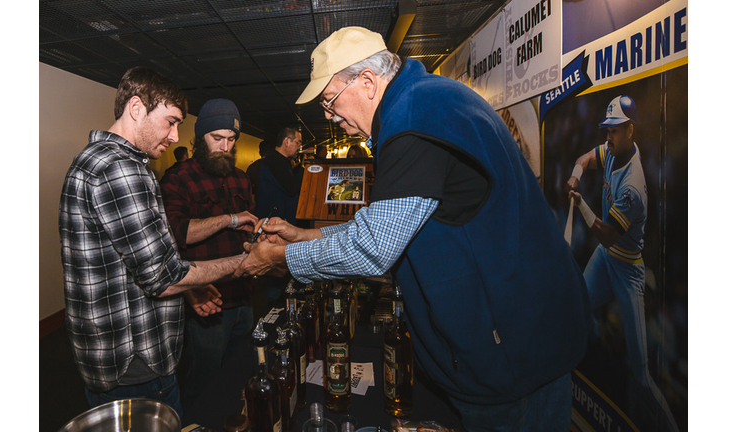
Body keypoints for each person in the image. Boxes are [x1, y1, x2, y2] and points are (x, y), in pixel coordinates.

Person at [236, 26, 591, 431]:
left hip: (514, 351)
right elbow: (386, 223)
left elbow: (375, 246)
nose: (332, 118)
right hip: (511, 336)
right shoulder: (421, 101)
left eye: (330, 102)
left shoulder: (412, 117)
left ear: (368, 82)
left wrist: (281, 256)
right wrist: (306, 236)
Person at [59, 67, 248, 416]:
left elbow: (142, 259)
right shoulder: (119, 168)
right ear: (136, 108)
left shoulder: (99, 160)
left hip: (115, 354)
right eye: (171, 121)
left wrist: (189, 288)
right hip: (135, 357)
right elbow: (162, 279)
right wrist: (247, 262)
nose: (176, 136)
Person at [567, 96, 679, 432]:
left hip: (626, 268)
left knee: (641, 373)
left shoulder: (634, 185)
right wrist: (576, 172)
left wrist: (583, 204)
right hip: (605, 260)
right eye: (607, 129)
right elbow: (585, 157)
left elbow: (607, 236)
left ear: (630, 130)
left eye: (614, 130)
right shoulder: (614, 152)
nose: (608, 136)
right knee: (579, 306)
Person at [159, 98, 258, 408]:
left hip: (244, 295)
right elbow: (178, 234)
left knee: (241, 375)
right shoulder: (178, 179)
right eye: (217, 138)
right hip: (207, 301)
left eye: (231, 140)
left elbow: (248, 227)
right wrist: (230, 218)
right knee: (204, 382)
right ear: (200, 137)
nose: (225, 147)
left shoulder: (241, 177)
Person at [256, 126, 305, 306]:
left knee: (282, 273)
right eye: (297, 142)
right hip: (274, 226)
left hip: (281, 223)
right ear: (287, 141)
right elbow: (291, 188)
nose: (299, 147)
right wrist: (305, 168)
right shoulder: (274, 161)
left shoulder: (281, 161)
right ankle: (275, 312)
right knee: (276, 274)